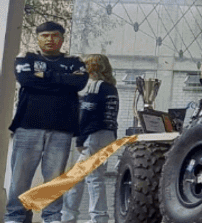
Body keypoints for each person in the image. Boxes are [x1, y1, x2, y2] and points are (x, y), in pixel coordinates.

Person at [5, 21, 87, 223]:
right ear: (38, 38)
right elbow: (26, 81)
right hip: (28, 127)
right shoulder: (26, 58)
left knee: (54, 180)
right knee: (20, 178)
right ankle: (15, 217)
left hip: (61, 129)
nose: (50, 39)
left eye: (55, 35)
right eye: (45, 35)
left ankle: (52, 217)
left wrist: (45, 76)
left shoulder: (75, 62)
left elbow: (78, 83)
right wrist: (63, 81)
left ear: (62, 39)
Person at [61, 54, 118, 223]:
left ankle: (92, 217)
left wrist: (80, 138)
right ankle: (79, 216)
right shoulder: (111, 88)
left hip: (95, 135)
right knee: (86, 177)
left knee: (91, 178)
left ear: (91, 69)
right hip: (108, 134)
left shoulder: (95, 86)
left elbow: (87, 113)